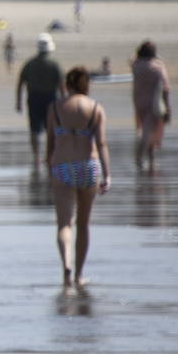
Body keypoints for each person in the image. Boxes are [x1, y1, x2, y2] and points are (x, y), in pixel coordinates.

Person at [47, 67, 110, 289]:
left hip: (62, 165)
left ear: (67, 84)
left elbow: (50, 143)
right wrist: (107, 173)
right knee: (83, 223)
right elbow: (101, 143)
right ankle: (80, 274)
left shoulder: (55, 107)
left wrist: (49, 167)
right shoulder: (95, 108)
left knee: (65, 224)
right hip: (88, 166)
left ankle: (66, 265)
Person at [16, 34, 63, 162]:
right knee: (51, 128)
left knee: (34, 129)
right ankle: (50, 155)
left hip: (33, 98)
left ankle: (36, 157)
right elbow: (61, 84)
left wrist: (18, 101)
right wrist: (64, 102)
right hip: (51, 99)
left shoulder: (30, 64)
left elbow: (21, 83)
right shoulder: (54, 65)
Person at [131, 41, 171, 171]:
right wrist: (168, 107)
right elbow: (165, 88)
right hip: (153, 103)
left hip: (138, 102)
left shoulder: (136, 65)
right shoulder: (158, 67)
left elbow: (132, 58)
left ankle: (151, 159)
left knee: (145, 128)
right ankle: (139, 158)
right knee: (149, 131)